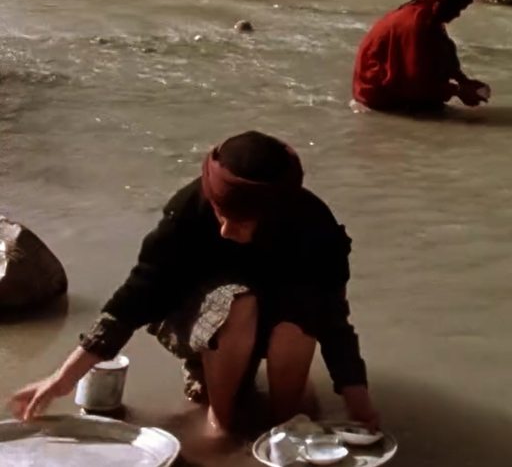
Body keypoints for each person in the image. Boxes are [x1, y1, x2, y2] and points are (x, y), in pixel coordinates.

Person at [7, 131, 379, 433]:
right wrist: (62, 378)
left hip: (281, 319)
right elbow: (136, 298)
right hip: (208, 317)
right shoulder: (187, 210)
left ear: (275, 212)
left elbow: (333, 320)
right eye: (220, 214)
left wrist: (359, 406)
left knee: (302, 316)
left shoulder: (313, 226)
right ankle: (221, 419)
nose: (225, 230)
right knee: (237, 300)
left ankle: (288, 422)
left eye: (243, 222)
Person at [353, 0, 490, 112]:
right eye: (457, 9)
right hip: (376, 93)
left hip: (397, 83)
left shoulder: (429, 18)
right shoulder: (416, 23)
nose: (458, 15)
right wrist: (458, 91)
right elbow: (413, 79)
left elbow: (444, 54)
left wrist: (463, 81)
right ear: (440, 4)